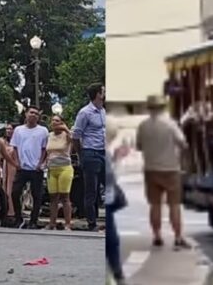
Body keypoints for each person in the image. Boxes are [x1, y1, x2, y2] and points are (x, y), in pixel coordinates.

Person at [136, 95, 190, 250]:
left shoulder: (143, 126)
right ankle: (178, 237)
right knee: (174, 205)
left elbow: (139, 146)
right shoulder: (170, 124)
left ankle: (157, 235)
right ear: (163, 107)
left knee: (155, 205)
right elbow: (183, 143)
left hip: (151, 169)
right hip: (171, 169)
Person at [72, 83, 106, 231]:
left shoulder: (103, 111)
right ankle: (92, 222)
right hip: (90, 152)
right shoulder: (85, 113)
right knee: (91, 190)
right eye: (103, 91)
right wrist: (81, 154)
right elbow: (76, 136)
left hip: (103, 152)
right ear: (98, 94)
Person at [11, 106, 49, 229]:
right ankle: (18, 218)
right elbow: (15, 147)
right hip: (22, 167)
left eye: (36, 114)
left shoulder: (43, 131)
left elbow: (45, 149)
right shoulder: (18, 130)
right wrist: (17, 162)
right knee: (15, 192)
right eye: (31, 113)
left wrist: (40, 163)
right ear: (26, 114)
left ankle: (34, 220)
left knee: (37, 195)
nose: (34, 115)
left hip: (36, 168)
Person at [106, 119, 128, 285]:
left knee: (112, 240)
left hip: (110, 197)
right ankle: (117, 274)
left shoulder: (107, 150)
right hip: (107, 198)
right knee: (112, 240)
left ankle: (116, 273)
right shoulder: (104, 150)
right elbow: (110, 176)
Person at [45, 115, 73, 230]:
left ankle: (68, 223)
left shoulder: (66, 135)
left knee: (65, 196)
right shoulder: (49, 135)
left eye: (57, 121)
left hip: (64, 167)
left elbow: (74, 139)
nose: (54, 122)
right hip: (52, 167)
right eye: (53, 120)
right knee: (53, 197)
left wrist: (66, 129)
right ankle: (52, 223)